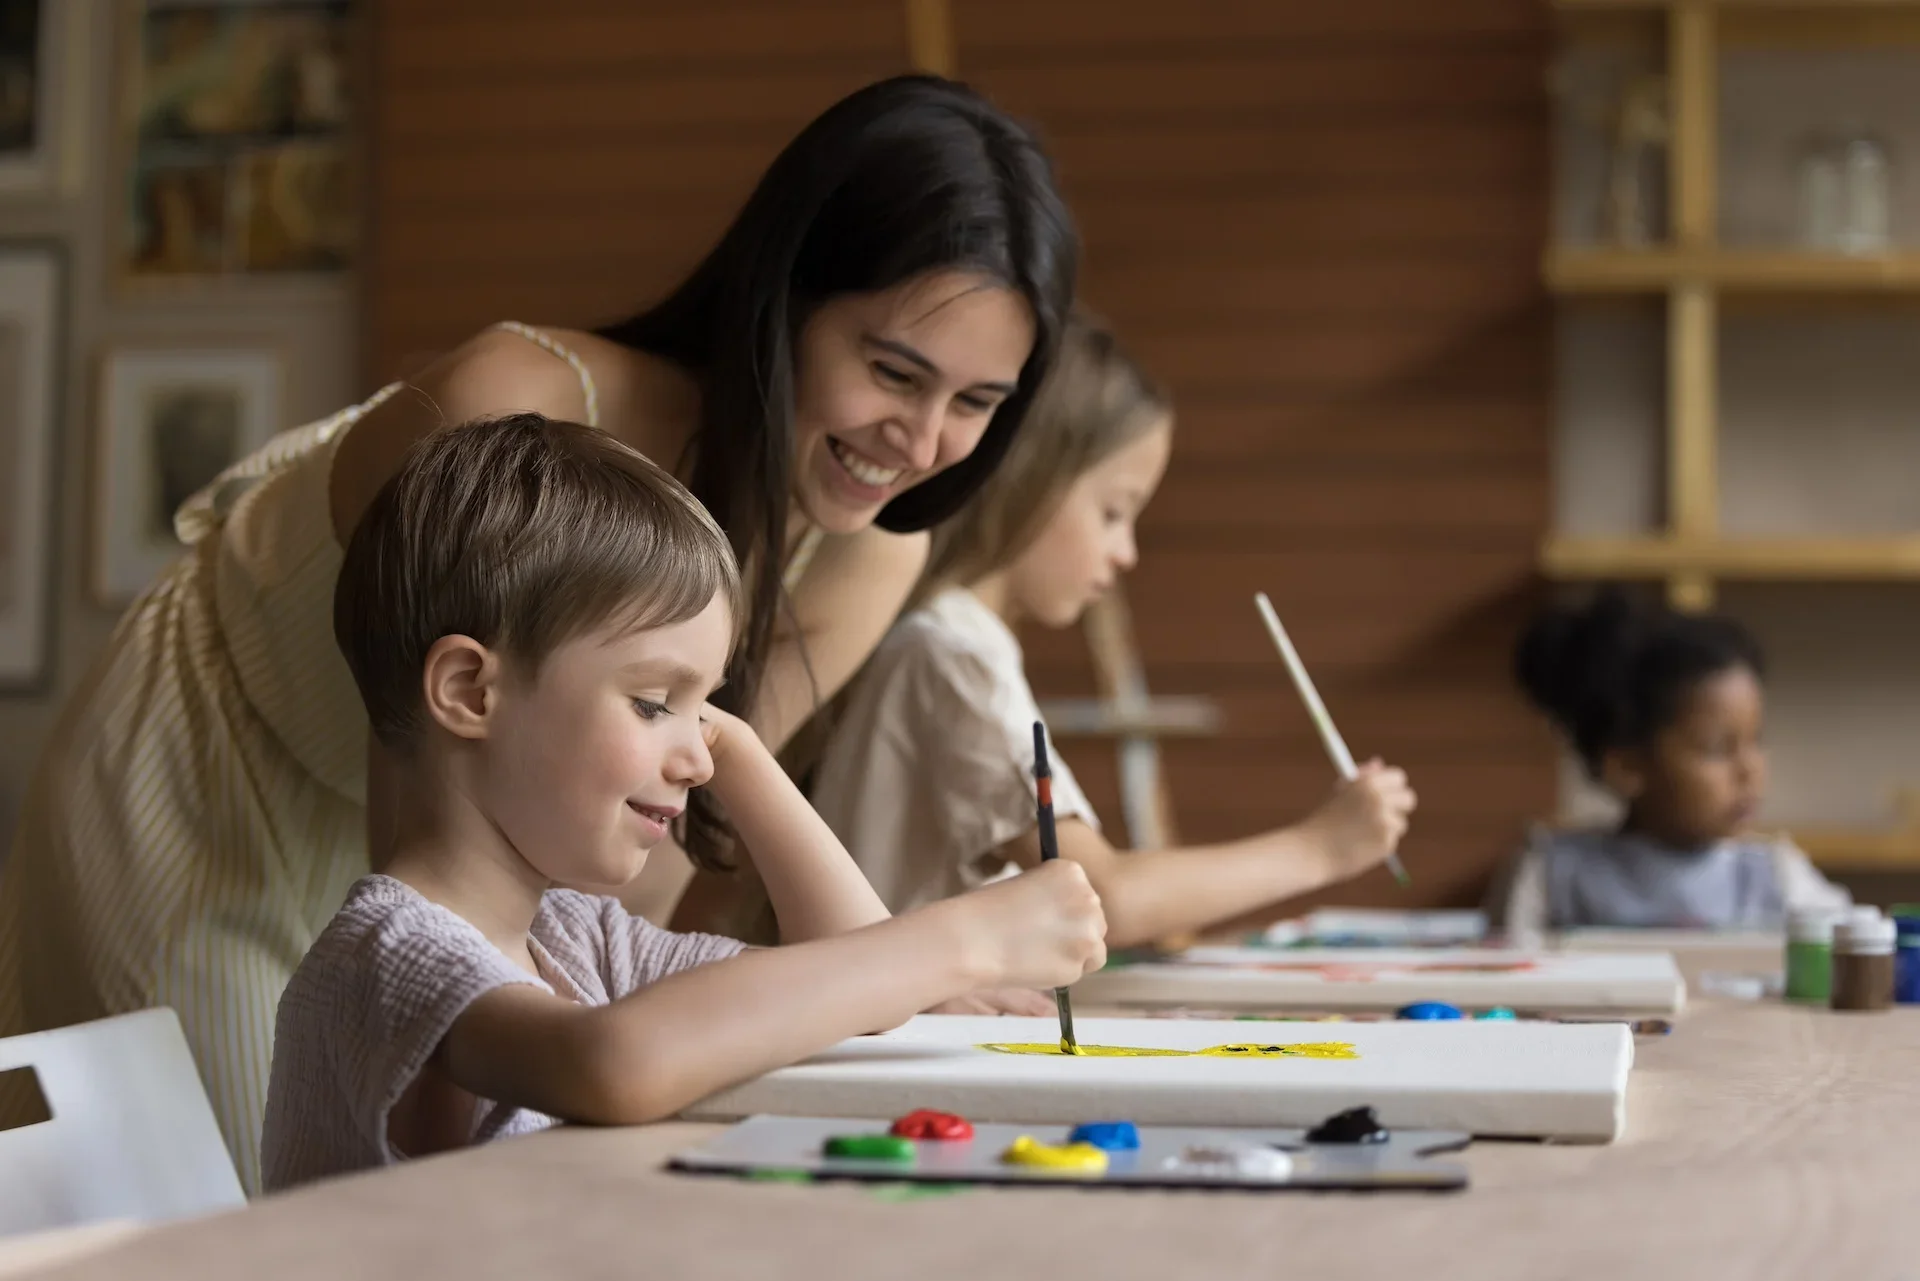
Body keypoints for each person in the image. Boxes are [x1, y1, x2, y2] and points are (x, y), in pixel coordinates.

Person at [0, 74, 1077, 1192]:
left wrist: (769, 818)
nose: (921, 440)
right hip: (216, 779)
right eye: (893, 371)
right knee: (200, 1195)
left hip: (488, 837)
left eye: (978, 402)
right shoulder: (518, 406)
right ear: (789, 299)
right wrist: (953, 941)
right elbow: (474, 931)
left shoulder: (871, 549)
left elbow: (643, 842)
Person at [261, 414, 1105, 1191]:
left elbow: (857, 980)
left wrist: (733, 746)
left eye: (706, 710)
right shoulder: (387, 951)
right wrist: (970, 939)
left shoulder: (571, 934)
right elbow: (613, 1064)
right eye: (654, 701)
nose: (697, 754)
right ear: (471, 690)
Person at [805, 314, 1416, 958]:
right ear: (1030, 478)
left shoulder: (951, 642)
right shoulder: (948, 654)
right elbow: (1103, 896)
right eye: (1113, 512)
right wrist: (1320, 848)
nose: (1126, 553)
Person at [1489, 587, 1848, 938]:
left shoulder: (1776, 876)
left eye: (1755, 741)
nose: (1749, 770)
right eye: (1718, 749)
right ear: (1627, 766)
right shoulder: (1551, 877)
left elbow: (1857, 949)